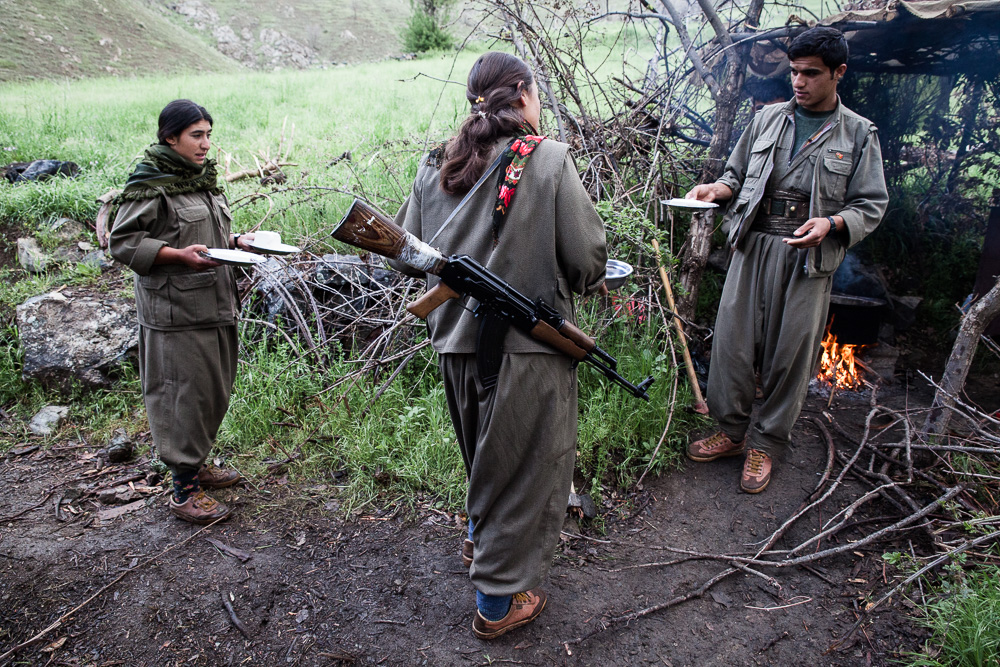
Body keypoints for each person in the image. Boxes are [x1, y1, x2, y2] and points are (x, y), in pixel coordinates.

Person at [389, 51, 607, 638]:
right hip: (528, 352)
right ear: (523, 94)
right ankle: (496, 604)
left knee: (486, 459)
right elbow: (588, 261)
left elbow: (411, 253)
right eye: (537, 93)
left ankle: (477, 541)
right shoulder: (549, 159)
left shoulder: (437, 163)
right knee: (527, 470)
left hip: (457, 345)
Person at [684, 27, 888, 493]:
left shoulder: (858, 134)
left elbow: (870, 205)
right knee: (732, 345)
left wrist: (832, 225)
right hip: (753, 245)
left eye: (811, 73)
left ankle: (766, 445)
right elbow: (735, 173)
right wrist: (719, 189)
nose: (798, 81)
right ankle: (731, 432)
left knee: (789, 355)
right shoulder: (766, 119)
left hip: (808, 256)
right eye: (794, 71)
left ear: (838, 73)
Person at [110, 99, 255, 524]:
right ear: (170, 138)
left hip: (213, 303)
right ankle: (183, 490)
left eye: (209, 134)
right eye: (197, 135)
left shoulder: (200, 181)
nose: (206, 144)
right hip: (175, 312)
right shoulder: (150, 184)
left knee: (211, 392)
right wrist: (176, 255)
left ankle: (197, 464)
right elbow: (123, 242)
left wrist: (237, 243)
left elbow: (206, 234)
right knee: (181, 397)